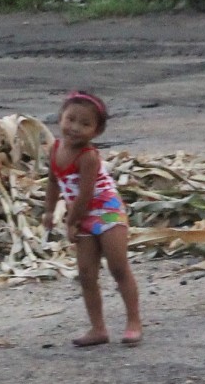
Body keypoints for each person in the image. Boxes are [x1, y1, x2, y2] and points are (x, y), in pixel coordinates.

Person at [41, 91, 143, 348]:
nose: (75, 128)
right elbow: (54, 181)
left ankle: (133, 322)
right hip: (80, 214)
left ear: (96, 132)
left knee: (118, 268)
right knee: (86, 274)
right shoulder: (54, 149)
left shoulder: (88, 156)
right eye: (70, 119)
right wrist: (49, 211)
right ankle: (98, 328)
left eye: (85, 124)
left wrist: (71, 222)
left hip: (106, 210)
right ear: (60, 117)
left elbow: (86, 194)